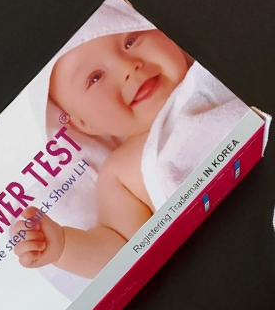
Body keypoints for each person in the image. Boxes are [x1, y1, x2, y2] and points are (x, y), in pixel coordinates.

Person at [12, 28, 193, 279]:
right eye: (95, 78)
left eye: (130, 41)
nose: (127, 67)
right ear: (83, 124)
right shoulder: (120, 172)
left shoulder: (209, 70)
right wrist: (62, 247)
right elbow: (123, 251)